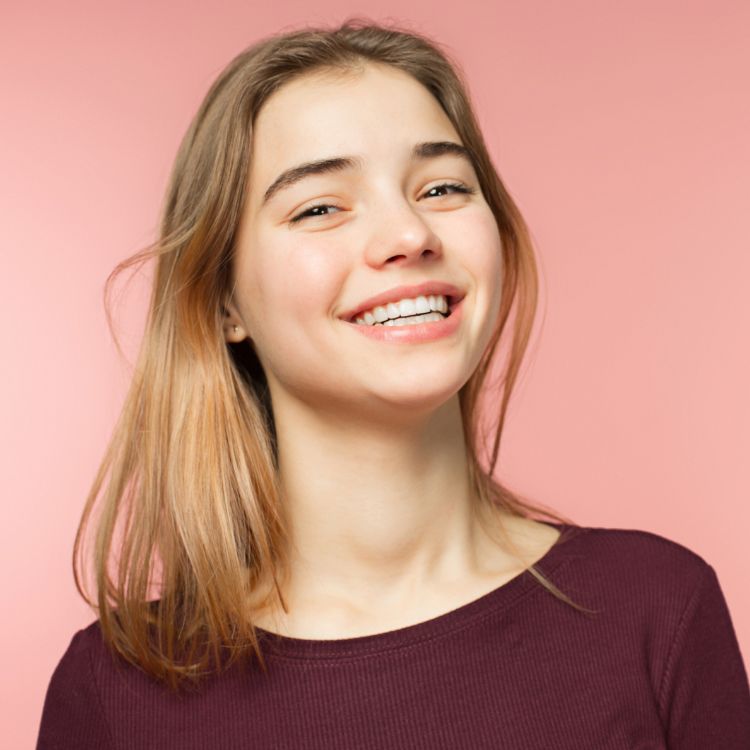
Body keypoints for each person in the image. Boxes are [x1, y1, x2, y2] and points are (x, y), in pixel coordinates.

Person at [36, 19, 750, 749]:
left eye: (441, 187)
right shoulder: (112, 694)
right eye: (320, 206)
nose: (409, 234)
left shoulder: (657, 609)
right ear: (224, 302)